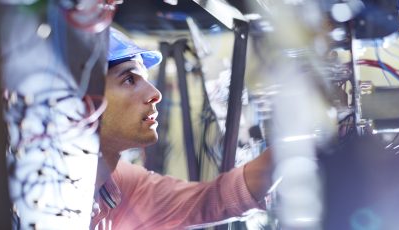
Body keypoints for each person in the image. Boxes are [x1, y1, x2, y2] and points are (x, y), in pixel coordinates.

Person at [91, 27, 275, 230]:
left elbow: (214, 200)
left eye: (145, 78)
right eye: (128, 79)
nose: (155, 93)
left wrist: (289, 151)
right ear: (80, 100)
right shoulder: (53, 194)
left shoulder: (121, 183)